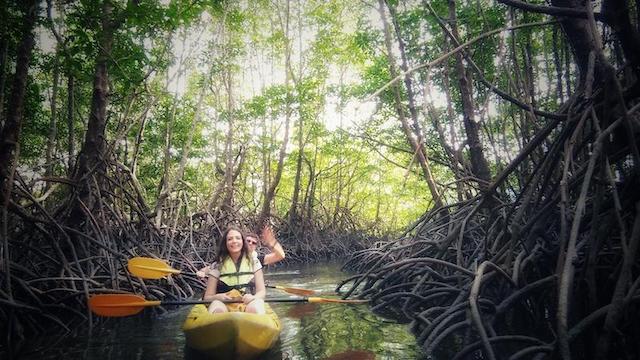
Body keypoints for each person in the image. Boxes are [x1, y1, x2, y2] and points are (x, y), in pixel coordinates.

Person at [202, 227, 266, 314]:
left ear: (243, 242)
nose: (234, 241)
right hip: (223, 303)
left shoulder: (254, 262)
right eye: (230, 239)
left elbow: (261, 292)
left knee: (254, 308)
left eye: (238, 238)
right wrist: (218, 297)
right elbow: (207, 297)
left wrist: (253, 298)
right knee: (218, 310)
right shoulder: (217, 265)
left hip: (247, 301)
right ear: (225, 243)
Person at [197, 225, 285, 277]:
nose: (250, 243)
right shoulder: (229, 257)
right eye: (248, 241)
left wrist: (271, 242)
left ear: (256, 247)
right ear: (242, 242)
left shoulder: (257, 260)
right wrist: (202, 272)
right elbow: (210, 268)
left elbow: (280, 255)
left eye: (254, 243)